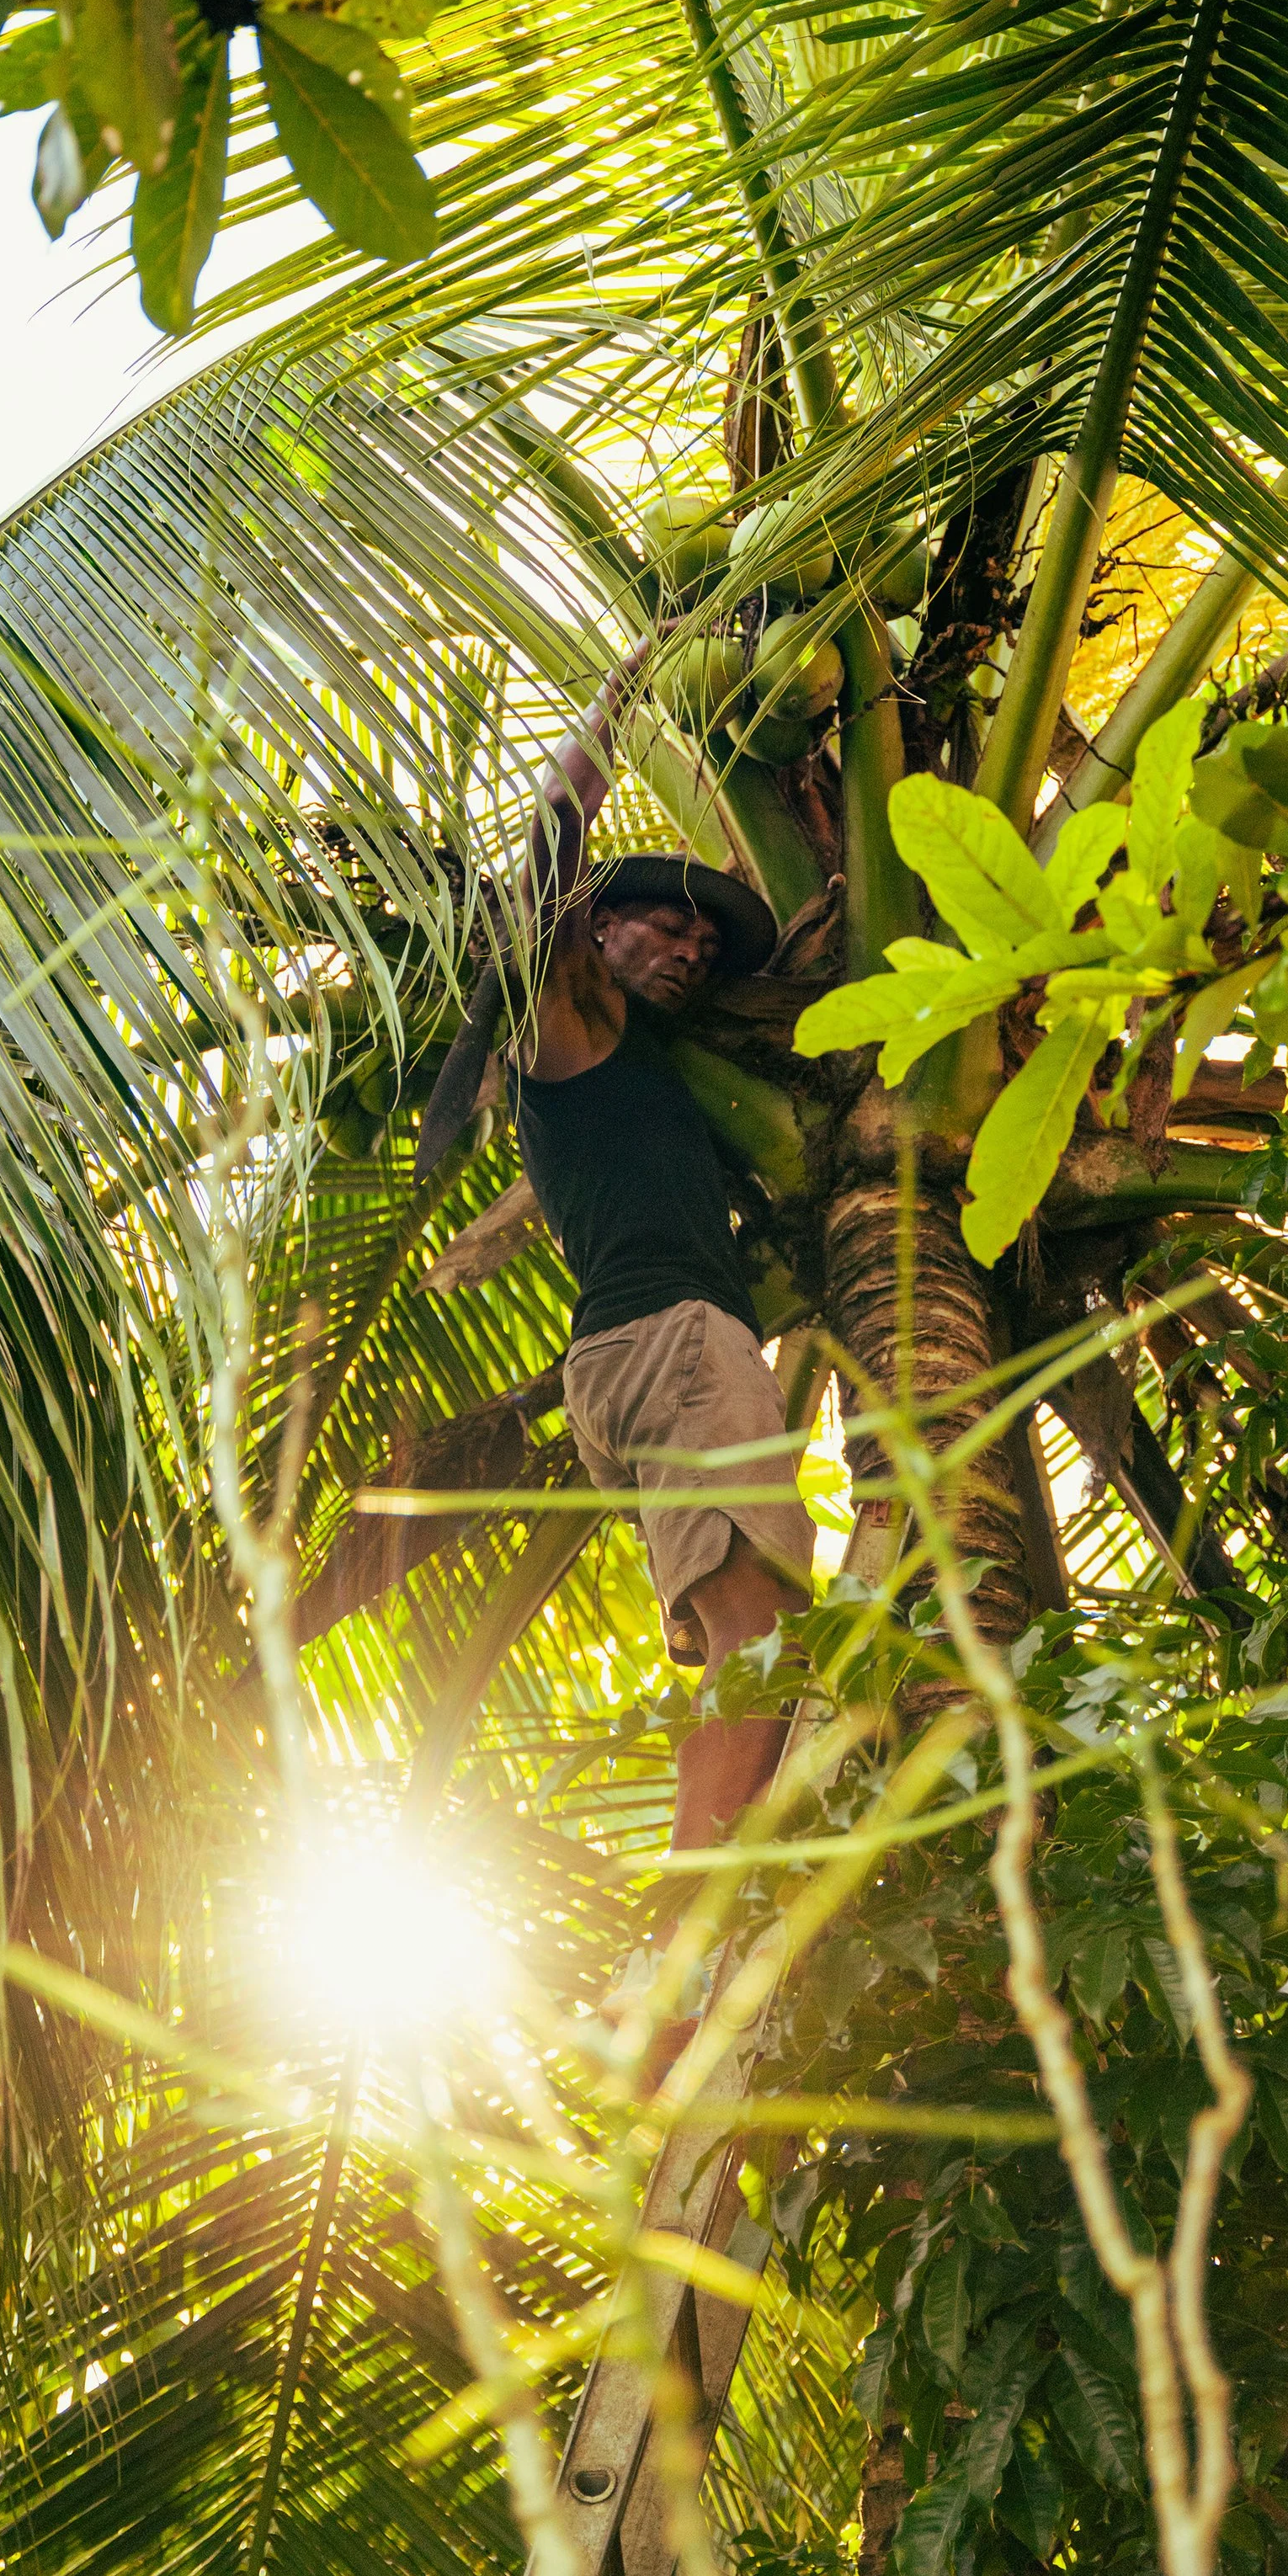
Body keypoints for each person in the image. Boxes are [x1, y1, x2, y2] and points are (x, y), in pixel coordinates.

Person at [496, 652, 819, 1855]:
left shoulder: (638, 1066)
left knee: (746, 1646)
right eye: (664, 921)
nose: (692, 946)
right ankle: (693, 1939)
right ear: (596, 928)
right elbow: (545, 852)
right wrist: (616, 702)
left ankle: (714, 1897)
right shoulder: (569, 1030)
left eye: (705, 938)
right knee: (763, 1640)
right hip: (672, 1340)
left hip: (659, 1345)